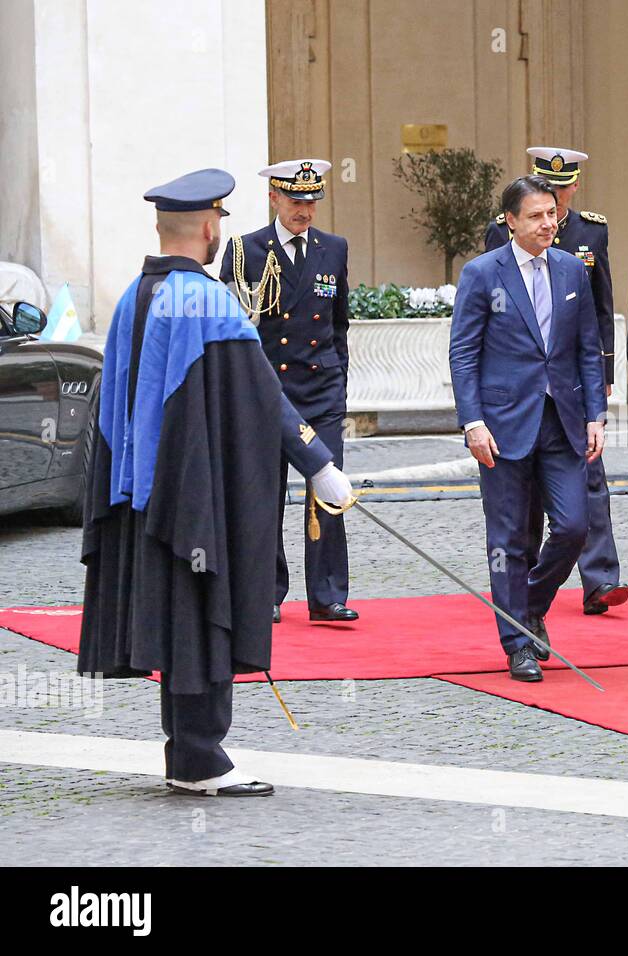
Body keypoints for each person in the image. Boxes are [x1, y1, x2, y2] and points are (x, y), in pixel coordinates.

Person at [78, 168, 353, 796]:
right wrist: (319, 464)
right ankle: (201, 759)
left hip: (142, 497)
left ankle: (189, 753)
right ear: (210, 228)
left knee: (178, 622)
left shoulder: (132, 297)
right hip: (195, 493)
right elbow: (263, 395)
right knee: (203, 617)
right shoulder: (206, 299)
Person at [451, 175, 607, 682]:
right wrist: (472, 422)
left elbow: (587, 347)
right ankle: (517, 642)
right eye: (537, 215)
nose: (549, 223)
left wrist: (595, 416)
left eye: (553, 213)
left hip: (562, 422)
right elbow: (463, 353)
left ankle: (528, 604)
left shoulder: (570, 271)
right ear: (511, 221)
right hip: (501, 425)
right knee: (510, 537)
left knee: (573, 527)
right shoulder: (482, 273)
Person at [484, 147, 628, 616]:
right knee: (520, 504)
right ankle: (521, 589)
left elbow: (599, 313)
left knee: (587, 491)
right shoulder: (498, 239)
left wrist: (600, 381)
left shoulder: (591, 231)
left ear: (574, 188)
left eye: (563, 191)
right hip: (520, 397)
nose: (556, 204)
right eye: (548, 191)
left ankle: (600, 578)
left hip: (570, 390)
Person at [219, 158, 357, 625]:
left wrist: (339, 384)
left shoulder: (333, 248)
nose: (305, 210)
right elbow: (231, 328)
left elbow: (338, 324)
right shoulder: (244, 250)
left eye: (312, 201)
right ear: (274, 198)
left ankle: (327, 594)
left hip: (319, 389)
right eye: (296, 201)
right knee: (265, 494)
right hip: (268, 389)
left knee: (328, 491)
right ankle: (267, 592)